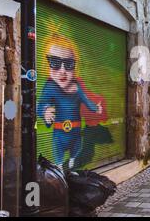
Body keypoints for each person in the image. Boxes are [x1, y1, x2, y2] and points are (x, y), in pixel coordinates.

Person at [38, 34, 103, 171]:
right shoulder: (50, 87)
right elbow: (42, 103)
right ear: (47, 65)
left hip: (75, 131)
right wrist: (45, 111)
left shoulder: (76, 88)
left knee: (76, 148)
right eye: (55, 63)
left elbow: (86, 101)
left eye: (68, 64)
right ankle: (60, 168)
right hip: (59, 133)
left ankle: (72, 162)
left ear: (75, 67)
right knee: (58, 153)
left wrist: (95, 108)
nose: (62, 71)